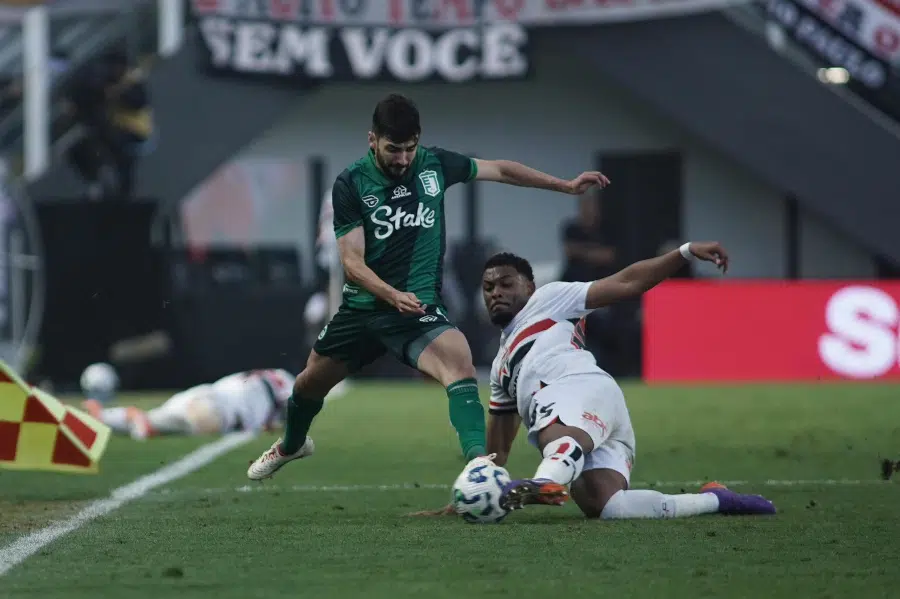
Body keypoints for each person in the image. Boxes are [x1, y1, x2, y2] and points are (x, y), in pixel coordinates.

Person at [246, 93, 610, 480]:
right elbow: (352, 263)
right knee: (307, 384)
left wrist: (565, 186)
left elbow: (501, 170)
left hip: (417, 308)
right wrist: (390, 294)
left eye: (409, 148)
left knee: (459, 360)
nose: (402, 158)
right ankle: (292, 444)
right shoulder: (350, 184)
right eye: (393, 149)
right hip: (364, 310)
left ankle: (479, 465)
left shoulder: (434, 165)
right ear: (373, 140)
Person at [414, 242, 777, 519]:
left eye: (506, 284)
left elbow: (628, 282)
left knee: (555, 431)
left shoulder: (550, 300)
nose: (495, 292)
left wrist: (682, 253)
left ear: (529, 285)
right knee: (607, 506)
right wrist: (471, 492)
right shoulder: (500, 368)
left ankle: (546, 480)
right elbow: (499, 452)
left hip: (578, 389)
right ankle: (715, 499)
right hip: (597, 410)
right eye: (488, 287)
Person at [82, 369, 293, 441]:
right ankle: (105, 417)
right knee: (206, 420)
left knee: (150, 421)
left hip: (203, 394)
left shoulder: (267, 378)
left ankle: (100, 416)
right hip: (217, 408)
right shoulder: (286, 385)